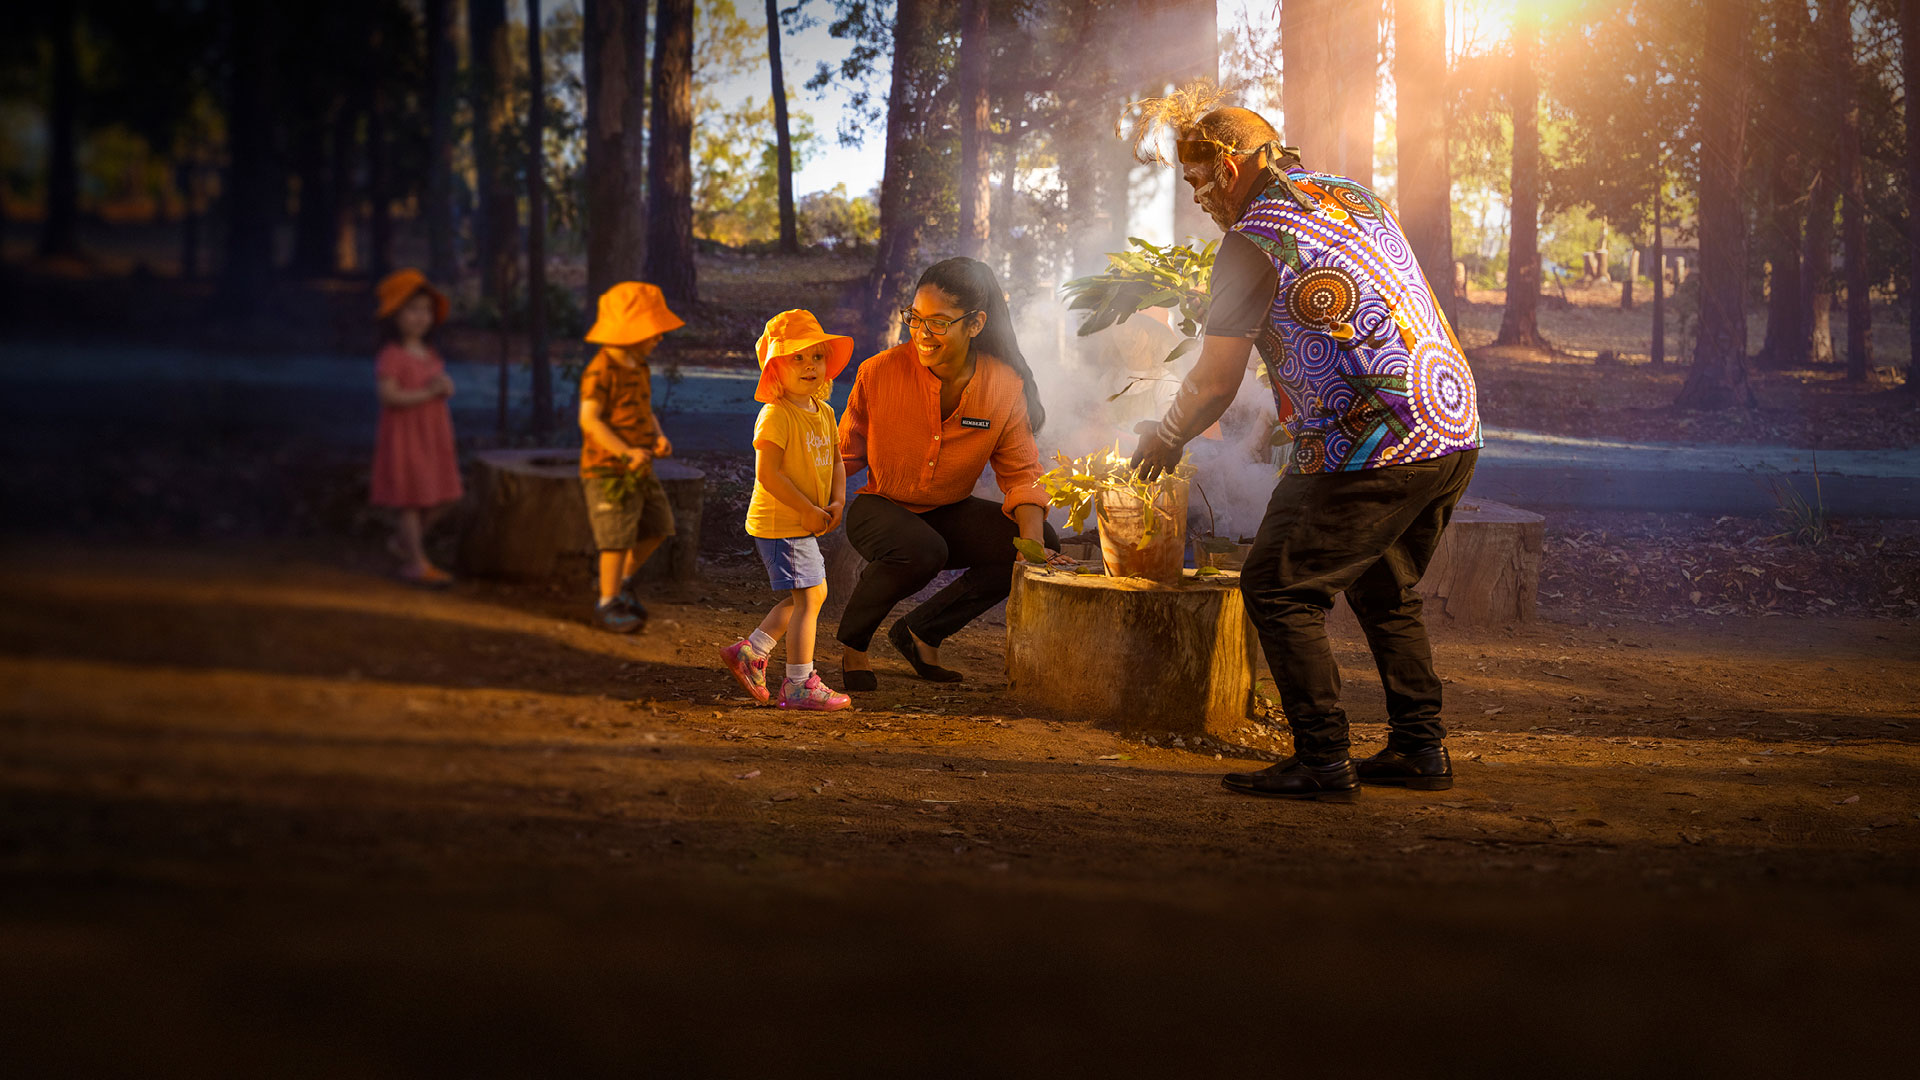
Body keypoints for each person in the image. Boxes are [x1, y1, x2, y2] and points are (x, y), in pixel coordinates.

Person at [1130, 102, 1483, 801]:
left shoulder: (1251, 238)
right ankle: (1420, 746)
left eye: (1198, 183)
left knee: (1277, 587)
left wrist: (1167, 433)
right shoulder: (1350, 196)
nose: (1199, 201)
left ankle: (1322, 759)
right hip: (1449, 419)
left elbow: (1214, 381)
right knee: (1384, 584)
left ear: (1229, 167)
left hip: (1371, 439)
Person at [836, 257, 1068, 691]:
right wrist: (800, 496)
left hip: (947, 509)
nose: (922, 334)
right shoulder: (879, 372)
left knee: (1034, 541)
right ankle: (854, 649)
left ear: (975, 323)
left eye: (938, 323)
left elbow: (1022, 473)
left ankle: (922, 633)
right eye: (916, 319)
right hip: (879, 507)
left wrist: (1032, 550)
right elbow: (843, 455)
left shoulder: (1004, 385)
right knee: (923, 550)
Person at [719, 310, 853, 712]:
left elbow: (838, 460)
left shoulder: (824, 412)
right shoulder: (777, 415)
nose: (809, 365)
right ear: (775, 367)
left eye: (816, 356)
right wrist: (808, 510)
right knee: (811, 594)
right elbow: (769, 475)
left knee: (808, 595)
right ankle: (798, 684)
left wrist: (836, 501)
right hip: (781, 521)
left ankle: (751, 652)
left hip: (805, 519)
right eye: (797, 357)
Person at [578, 281, 681, 633]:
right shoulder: (602, 369)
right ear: (631, 330)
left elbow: (644, 408)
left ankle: (618, 583)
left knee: (658, 526)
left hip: (641, 466)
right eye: (654, 330)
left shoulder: (639, 366)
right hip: (609, 470)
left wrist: (658, 435)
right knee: (615, 538)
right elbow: (589, 420)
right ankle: (607, 603)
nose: (659, 338)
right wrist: (623, 453)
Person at [370, 268, 463, 586]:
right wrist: (429, 393)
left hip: (431, 437)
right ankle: (416, 563)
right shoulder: (392, 355)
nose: (420, 317)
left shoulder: (429, 352)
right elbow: (388, 395)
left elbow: (436, 384)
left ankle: (404, 543)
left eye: (425, 310)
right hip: (405, 437)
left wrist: (445, 386)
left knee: (443, 496)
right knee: (411, 499)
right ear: (394, 314)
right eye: (412, 309)